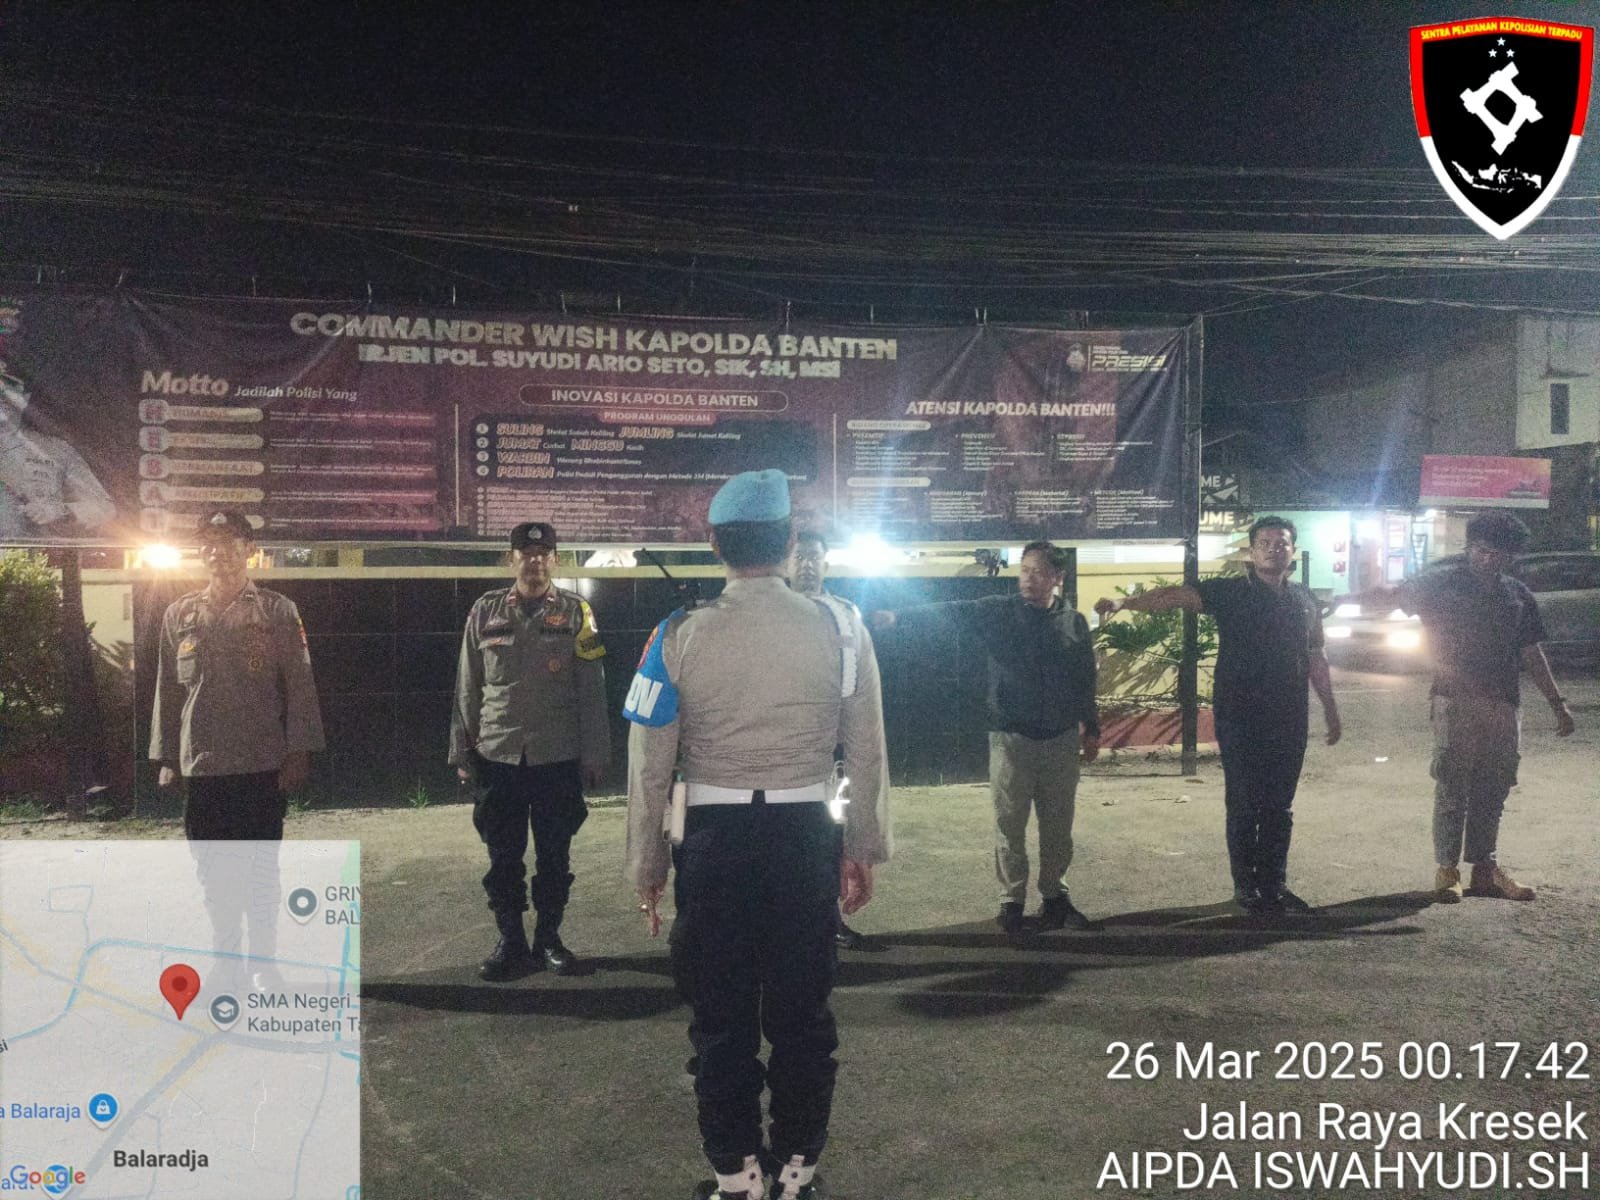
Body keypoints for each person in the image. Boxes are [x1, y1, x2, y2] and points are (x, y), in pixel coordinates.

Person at [625, 469, 889, 1200]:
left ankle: (736, 1177)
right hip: (805, 838)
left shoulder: (677, 633)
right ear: (791, 539)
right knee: (803, 1013)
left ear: (715, 544)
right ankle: (797, 1173)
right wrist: (860, 847)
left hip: (714, 842)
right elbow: (867, 751)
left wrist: (648, 862)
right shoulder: (842, 626)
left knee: (721, 1018)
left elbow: (650, 766)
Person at [1094, 516, 1340, 915]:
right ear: (1251, 551)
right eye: (1265, 543)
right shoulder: (1230, 592)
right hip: (1240, 717)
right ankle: (1246, 887)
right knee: (1244, 802)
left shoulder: (1304, 599)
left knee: (1279, 806)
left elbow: (1316, 656)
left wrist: (1330, 709)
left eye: (1281, 543)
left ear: (1293, 550)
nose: (1274, 549)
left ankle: (1273, 885)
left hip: (1289, 717)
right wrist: (1126, 603)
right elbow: (1176, 596)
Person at [871, 540, 1099, 935]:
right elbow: (949, 611)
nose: (1029, 578)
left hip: (1060, 740)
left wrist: (1091, 727)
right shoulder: (999, 611)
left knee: (1058, 827)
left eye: (1039, 571)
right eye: (1025, 570)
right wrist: (899, 617)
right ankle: (1011, 900)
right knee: (1010, 825)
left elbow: (1084, 679)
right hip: (1011, 739)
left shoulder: (1074, 622)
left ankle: (1055, 898)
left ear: (1057, 578)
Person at [1349, 511, 1575, 902]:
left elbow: (1531, 651)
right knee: (1453, 785)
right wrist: (1338, 601)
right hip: (1453, 699)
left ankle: (1485, 870)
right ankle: (1447, 870)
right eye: (1481, 550)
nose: (1488, 559)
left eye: (1498, 554)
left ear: (1511, 557)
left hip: (1504, 702)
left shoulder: (1517, 594)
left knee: (1496, 786)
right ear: (1470, 547)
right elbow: (1390, 596)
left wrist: (1557, 704)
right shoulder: (1440, 584)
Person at [450, 520, 610, 980]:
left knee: (555, 856)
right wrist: (462, 750)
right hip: (498, 754)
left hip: (557, 756)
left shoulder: (579, 612)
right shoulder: (485, 611)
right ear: (512, 559)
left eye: (543, 554)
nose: (535, 561)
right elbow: (468, 684)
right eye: (526, 553)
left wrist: (595, 752)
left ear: (554, 559)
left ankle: (549, 939)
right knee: (503, 857)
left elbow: (592, 686)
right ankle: (511, 941)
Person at [150, 509, 325, 839]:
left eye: (229, 542)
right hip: (202, 764)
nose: (218, 551)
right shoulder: (179, 614)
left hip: (261, 763)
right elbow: (168, 689)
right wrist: (167, 758)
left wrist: (299, 752)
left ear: (250, 549)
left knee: (259, 865)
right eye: (209, 543)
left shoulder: (277, 610)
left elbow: (299, 685)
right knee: (209, 864)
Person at [784, 529, 874, 952]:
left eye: (813, 557)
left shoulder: (844, 614)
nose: (806, 564)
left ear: (826, 563)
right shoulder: (771, 614)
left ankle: (829, 919)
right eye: (799, 556)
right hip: (785, 750)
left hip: (830, 752)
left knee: (830, 835)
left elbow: (857, 688)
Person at [0, 359, 116, 540]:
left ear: (24, 398)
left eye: (7, 392)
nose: (2, 401)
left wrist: (61, 511)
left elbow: (104, 507)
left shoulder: (54, 450)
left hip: (34, 554)